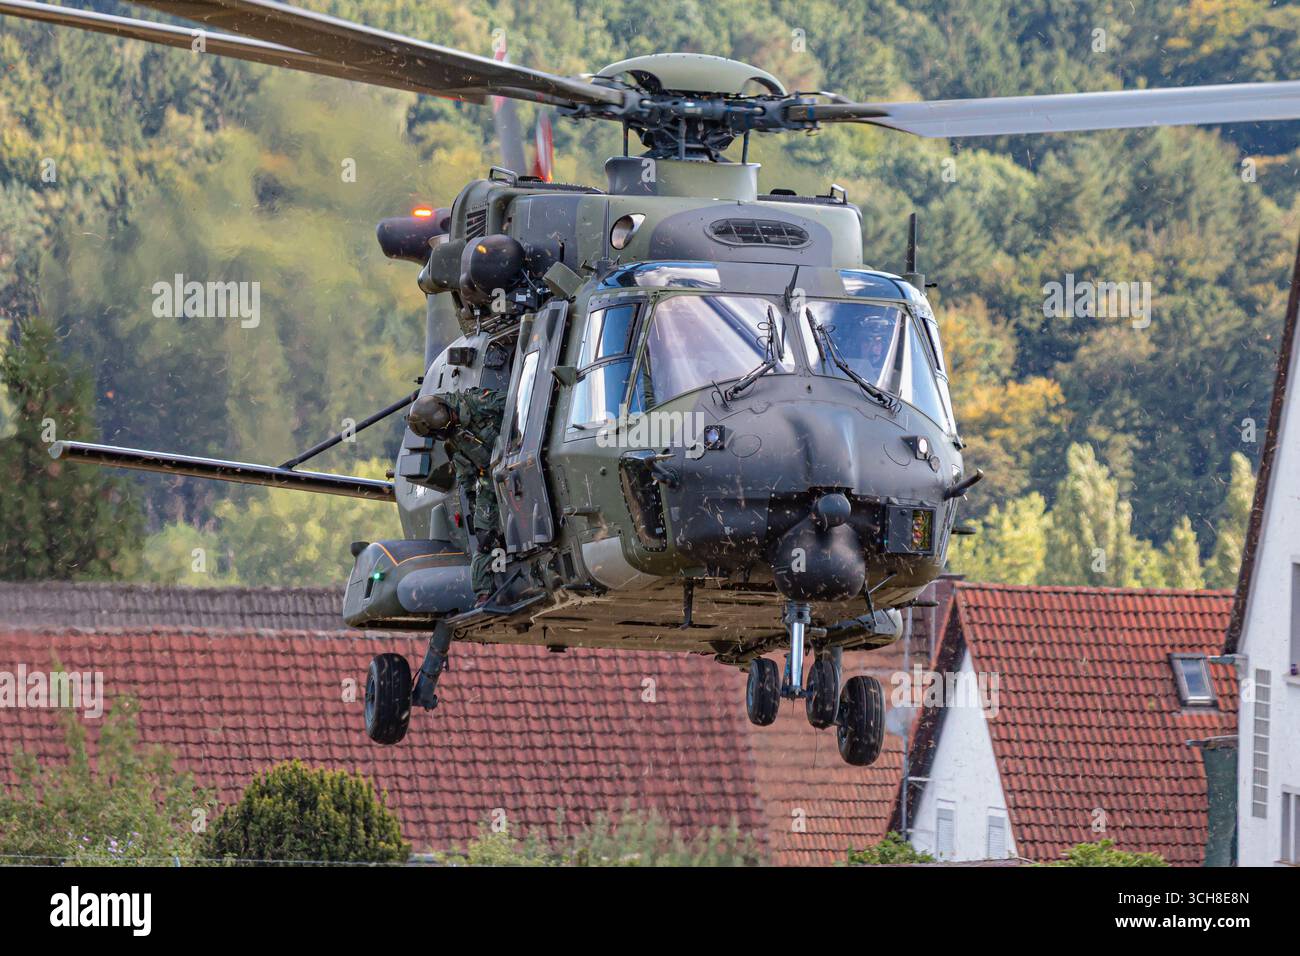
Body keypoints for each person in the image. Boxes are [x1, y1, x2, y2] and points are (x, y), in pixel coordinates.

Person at [407, 387, 507, 607]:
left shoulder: (478, 403)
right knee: (484, 536)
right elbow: (465, 474)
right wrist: (473, 500)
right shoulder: (452, 442)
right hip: (489, 480)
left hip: (515, 461)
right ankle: (484, 594)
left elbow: (516, 404)